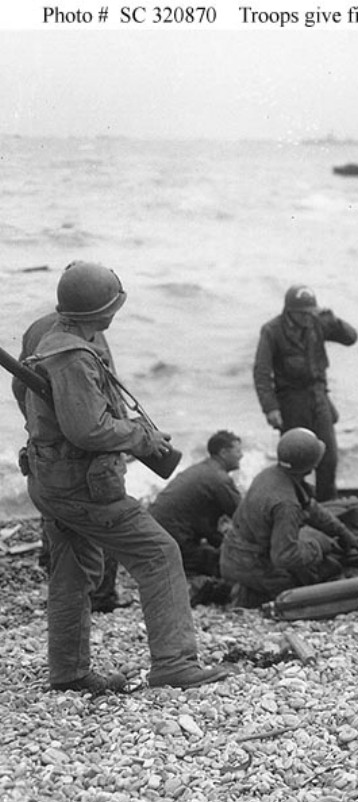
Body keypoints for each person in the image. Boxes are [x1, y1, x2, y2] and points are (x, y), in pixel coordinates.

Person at [20, 261, 228, 691]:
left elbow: (25, 394)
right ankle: (174, 663)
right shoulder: (74, 357)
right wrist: (142, 438)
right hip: (82, 488)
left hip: (50, 477)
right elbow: (88, 430)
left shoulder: (48, 336)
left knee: (72, 570)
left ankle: (69, 672)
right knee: (159, 554)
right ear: (101, 310)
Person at [13, 310, 127, 613]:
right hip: (89, 446)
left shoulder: (39, 327)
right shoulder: (87, 331)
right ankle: (101, 596)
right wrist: (124, 435)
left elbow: (20, 387)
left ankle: (60, 583)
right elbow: (108, 391)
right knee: (108, 513)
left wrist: (40, 426)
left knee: (57, 516)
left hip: (50, 448)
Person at [220, 427, 358, 605]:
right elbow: (285, 556)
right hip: (250, 565)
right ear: (311, 467)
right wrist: (318, 546)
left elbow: (311, 507)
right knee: (309, 587)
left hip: (234, 554)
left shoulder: (271, 474)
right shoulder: (287, 505)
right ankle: (246, 593)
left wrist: (341, 531)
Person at [253, 285, 357, 502]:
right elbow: (261, 373)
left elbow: (351, 338)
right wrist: (270, 408)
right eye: (303, 313)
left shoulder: (317, 323)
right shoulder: (272, 331)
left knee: (328, 458)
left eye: (311, 312)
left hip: (319, 397)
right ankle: (292, 505)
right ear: (290, 311)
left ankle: (328, 506)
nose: (308, 317)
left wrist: (332, 319)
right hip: (291, 401)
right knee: (295, 459)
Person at [149, 430, 243, 603]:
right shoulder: (219, 479)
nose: (241, 455)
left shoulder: (203, 469)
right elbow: (244, 516)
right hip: (171, 540)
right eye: (238, 451)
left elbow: (203, 521)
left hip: (156, 533)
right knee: (225, 565)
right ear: (224, 452)